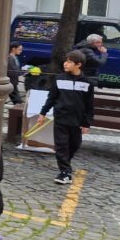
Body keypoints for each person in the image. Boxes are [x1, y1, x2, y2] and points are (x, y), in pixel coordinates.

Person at [38, 50, 94, 185]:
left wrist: (86, 123)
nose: (65, 64)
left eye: (69, 61)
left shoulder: (87, 83)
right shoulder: (59, 79)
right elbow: (51, 98)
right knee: (61, 145)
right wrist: (43, 113)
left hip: (77, 121)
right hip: (61, 118)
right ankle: (65, 172)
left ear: (78, 64)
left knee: (74, 144)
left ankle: (65, 166)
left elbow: (89, 105)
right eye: (66, 61)